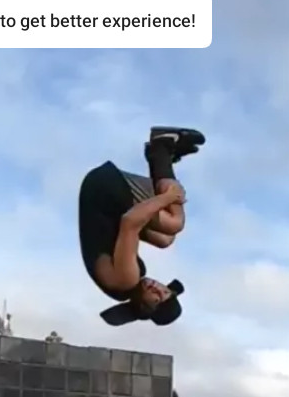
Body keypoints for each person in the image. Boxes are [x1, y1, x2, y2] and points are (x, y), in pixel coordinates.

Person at [79, 126, 205, 325]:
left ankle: (160, 148)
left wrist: (168, 197)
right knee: (165, 239)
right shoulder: (124, 286)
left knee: (174, 223)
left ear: (143, 307)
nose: (157, 288)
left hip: (104, 191)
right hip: (105, 200)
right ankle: (162, 161)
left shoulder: (126, 279)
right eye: (165, 290)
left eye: (156, 298)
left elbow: (130, 222)